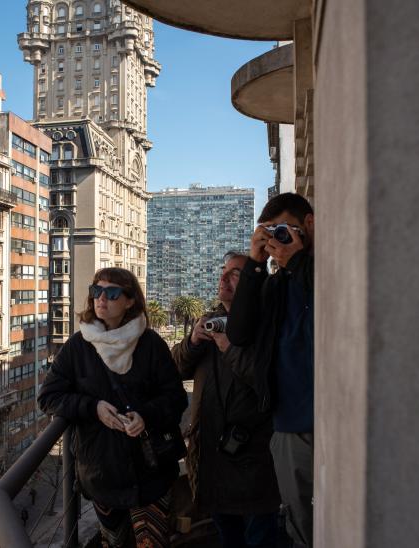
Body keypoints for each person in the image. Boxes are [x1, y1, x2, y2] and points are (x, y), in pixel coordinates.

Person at [38, 267, 188, 548]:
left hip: (151, 474)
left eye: (112, 292)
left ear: (130, 301)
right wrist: (92, 408)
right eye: (96, 291)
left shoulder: (151, 344)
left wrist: (146, 415)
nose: (101, 298)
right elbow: (48, 397)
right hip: (102, 476)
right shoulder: (78, 347)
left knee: (153, 543)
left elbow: (176, 397)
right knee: (113, 543)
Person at [172, 252, 283, 548]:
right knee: (227, 535)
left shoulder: (266, 328)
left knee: (260, 536)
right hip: (210, 456)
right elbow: (175, 369)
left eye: (235, 274)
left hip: (252, 460)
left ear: (252, 283)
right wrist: (193, 341)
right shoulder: (208, 321)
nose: (224, 278)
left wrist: (230, 348)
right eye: (224, 271)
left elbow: (268, 384)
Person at [226, 193, 315, 548]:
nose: (278, 240)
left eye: (285, 230)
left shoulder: (323, 267)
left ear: (309, 225)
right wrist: (255, 263)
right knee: (302, 525)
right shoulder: (277, 283)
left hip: (331, 421)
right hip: (289, 424)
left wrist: (295, 260)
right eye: (271, 232)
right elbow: (240, 332)